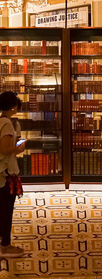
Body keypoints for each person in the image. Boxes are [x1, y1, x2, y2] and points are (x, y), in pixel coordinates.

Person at [0, 91, 25, 257]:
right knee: (6, 210)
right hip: (6, 173)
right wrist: (18, 148)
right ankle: (6, 245)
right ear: (13, 106)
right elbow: (4, 149)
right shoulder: (7, 124)